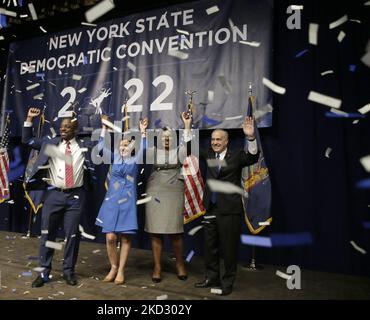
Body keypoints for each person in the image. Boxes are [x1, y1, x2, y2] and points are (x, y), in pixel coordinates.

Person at [22, 107, 92, 288]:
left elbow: (106, 144)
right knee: (48, 235)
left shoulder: (84, 146)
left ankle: (68, 271)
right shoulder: (51, 144)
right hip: (54, 195)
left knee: (72, 236)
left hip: (75, 197)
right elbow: (27, 140)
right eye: (62, 126)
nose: (63, 129)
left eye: (67, 127)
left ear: (75, 130)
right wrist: (29, 119)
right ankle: (44, 273)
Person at [193, 116, 259, 296]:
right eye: (213, 139)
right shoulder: (208, 154)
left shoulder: (237, 155)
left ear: (226, 141)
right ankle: (211, 278)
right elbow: (189, 146)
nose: (215, 142)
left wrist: (251, 138)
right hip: (210, 209)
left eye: (218, 139)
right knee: (210, 246)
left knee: (229, 249)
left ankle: (227, 282)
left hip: (230, 211)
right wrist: (186, 127)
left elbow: (253, 157)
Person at [95, 115, 148, 285]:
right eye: (121, 144)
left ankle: (121, 270)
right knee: (110, 237)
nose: (123, 146)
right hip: (111, 201)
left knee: (125, 238)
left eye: (127, 144)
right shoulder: (114, 157)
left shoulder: (136, 158)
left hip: (127, 202)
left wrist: (143, 132)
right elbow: (100, 148)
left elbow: (145, 148)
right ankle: (113, 266)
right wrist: (104, 129)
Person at [144, 112, 192, 283]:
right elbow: (141, 149)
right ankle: (157, 266)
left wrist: (186, 125)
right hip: (155, 189)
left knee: (176, 231)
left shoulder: (180, 150)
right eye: (163, 137)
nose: (166, 139)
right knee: (155, 232)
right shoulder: (152, 150)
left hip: (174, 190)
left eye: (169, 137)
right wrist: (143, 133)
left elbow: (189, 143)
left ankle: (180, 264)